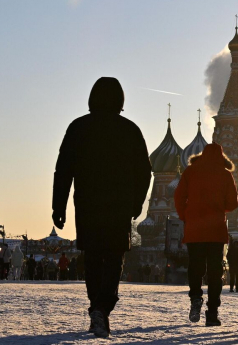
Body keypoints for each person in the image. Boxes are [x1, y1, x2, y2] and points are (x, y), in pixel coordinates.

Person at [52, 77, 152, 338]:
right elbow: (145, 172)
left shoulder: (78, 127)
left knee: (93, 257)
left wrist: (58, 206)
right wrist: (137, 203)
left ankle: (97, 307)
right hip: (119, 206)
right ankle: (102, 308)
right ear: (120, 100)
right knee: (114, 256)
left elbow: (63, 170)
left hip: (87, 205)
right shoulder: (130, 129)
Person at [174, 142, 238, 327]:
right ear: (221, 156)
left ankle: (195, 296)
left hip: (194, 229)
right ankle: (212, 313)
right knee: (214, 272)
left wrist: (185, 215)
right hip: (216, 230)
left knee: (195, 266)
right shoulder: (225, 174)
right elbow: (233, 203)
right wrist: (220, 209)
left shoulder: (190, 171)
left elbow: (179, 196)